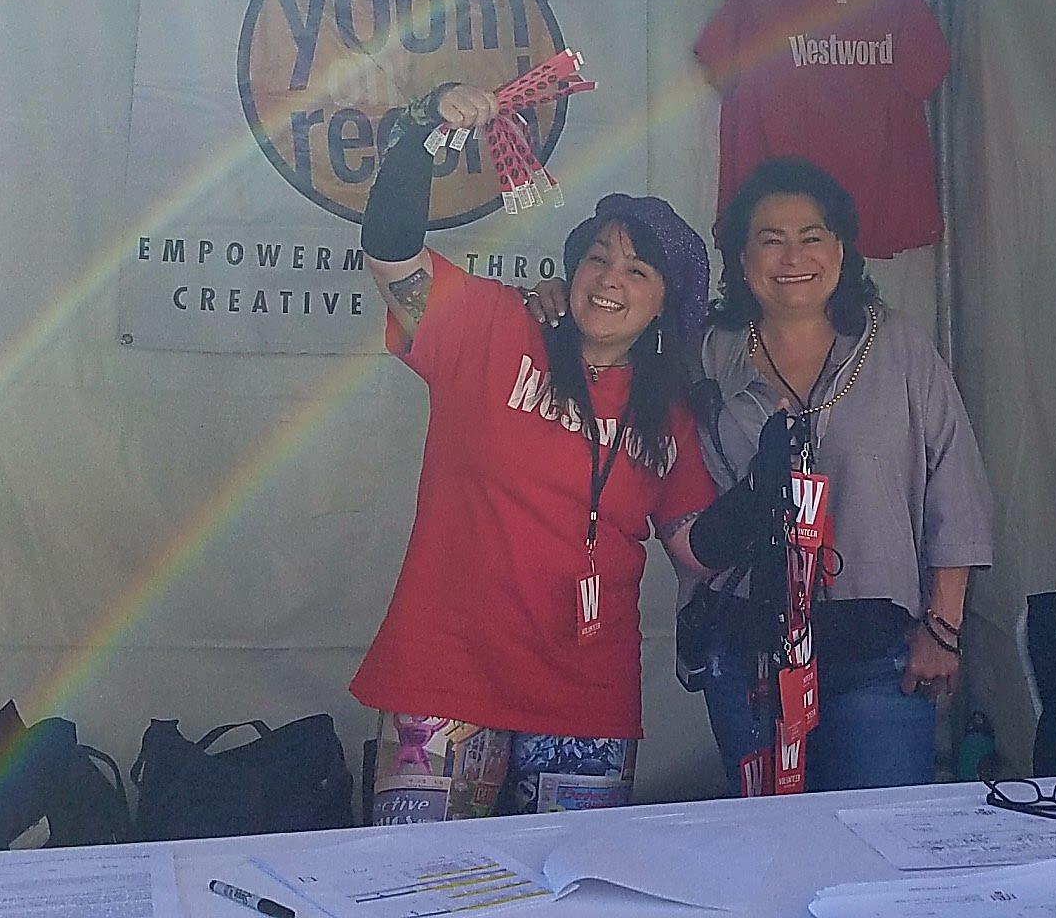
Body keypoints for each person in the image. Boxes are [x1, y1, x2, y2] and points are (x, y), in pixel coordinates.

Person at [349, 81, 763, 820]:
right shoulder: (491, 329)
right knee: (417, 892)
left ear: (665, 301)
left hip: (585, 695)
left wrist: (769, 496)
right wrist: (420, 139)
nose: (611, 279)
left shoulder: (667, 416)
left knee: (570, 896)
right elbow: (390, 252)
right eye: (599, 259)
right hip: (443, 676)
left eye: (638, 271)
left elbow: (694, 545)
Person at [687, 157, 994, 793]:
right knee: (767, 852)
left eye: (812, 235)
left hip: (880, 652)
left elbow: (956, 490)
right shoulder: (705, 355)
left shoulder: (901, 348)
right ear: (742, 259)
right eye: (770, 239)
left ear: (843, 249)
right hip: (747, 651)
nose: (792, 255)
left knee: (880, 851)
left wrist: (943, 629)